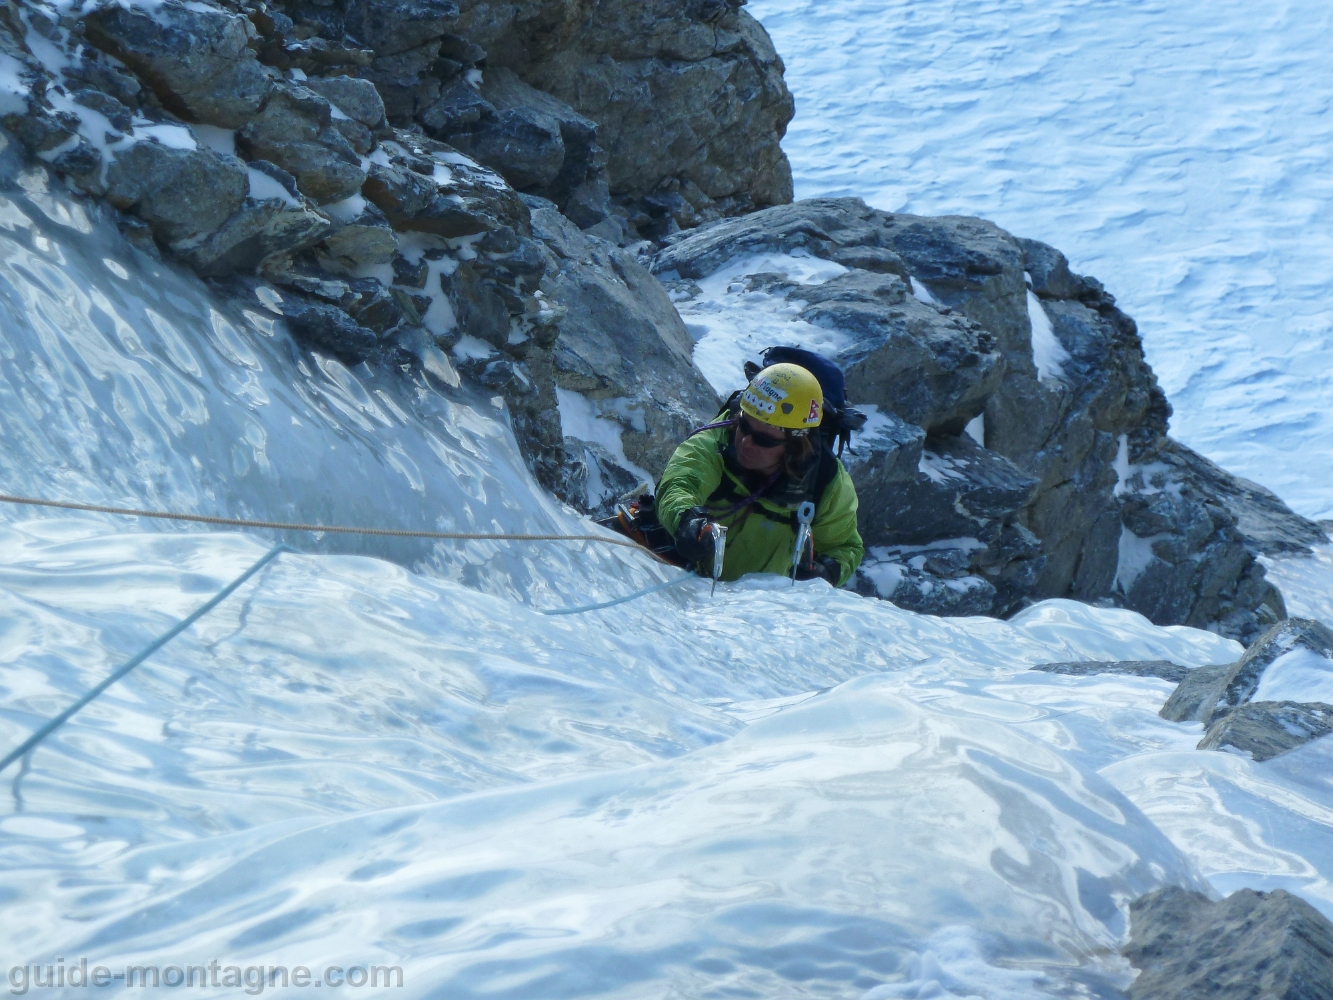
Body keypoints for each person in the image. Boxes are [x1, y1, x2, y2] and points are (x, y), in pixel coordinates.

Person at [655, 362, 864, 586]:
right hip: (674, 574)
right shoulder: (717, 441)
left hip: (755, 609)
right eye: (743, 426)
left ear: (796, 443)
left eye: (764, 440)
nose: (745, 442)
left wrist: (827, 572)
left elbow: (844, 547)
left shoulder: (826, 482)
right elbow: (680, 483)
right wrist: (686, 520)